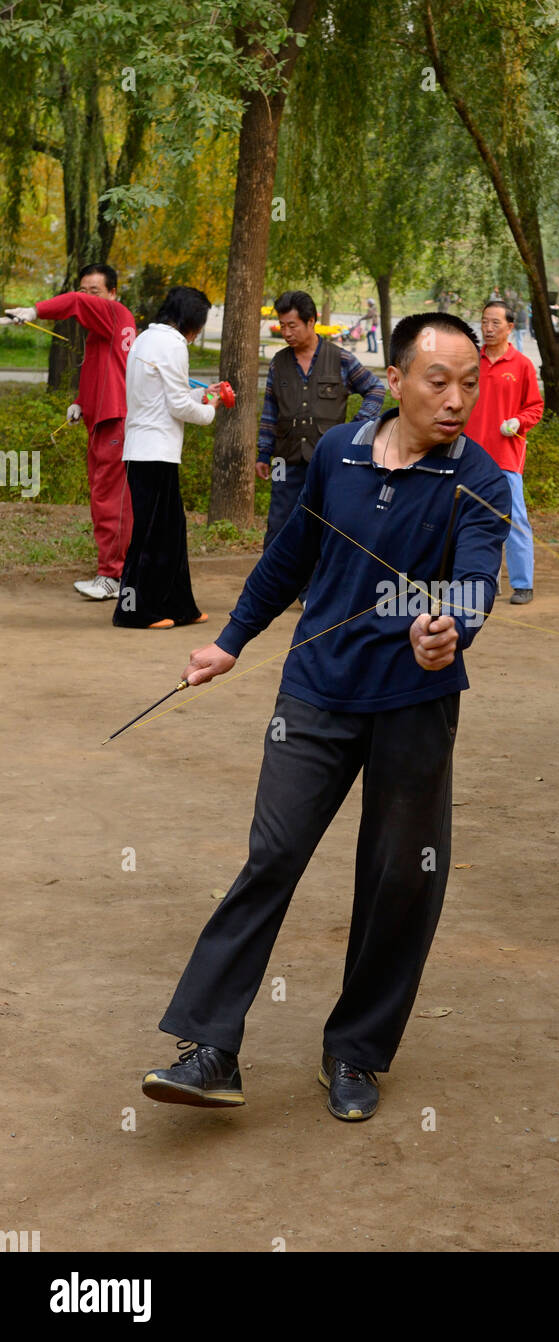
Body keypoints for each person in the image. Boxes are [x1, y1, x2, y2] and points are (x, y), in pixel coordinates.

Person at [139, 311, 511, 1122]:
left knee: (397, 881)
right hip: (314, 692)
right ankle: (208, 1047)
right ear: (399, 379)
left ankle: (355, 1052)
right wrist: (232, 640)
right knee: (270, 856)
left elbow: (476, 580)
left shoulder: (476, 479)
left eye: (469, 386)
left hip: (415, 703)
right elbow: (290, 558)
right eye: (439, 383)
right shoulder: (339, 453)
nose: (456, 401)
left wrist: (448, 629)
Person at [5, 265, 135, 601]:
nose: (89, 297)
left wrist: (34, 310)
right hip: (104, 418)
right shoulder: (102, 328)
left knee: (110, 500)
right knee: (102, 496)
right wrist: (81, 403)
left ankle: (113, 575)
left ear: (112, 293)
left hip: (116, 420)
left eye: (95, 291)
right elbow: (101, 372)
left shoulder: (115, 313)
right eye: (85, 289)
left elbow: (76, 302)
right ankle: (117, 572)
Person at [113, 286, 225, 630]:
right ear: (191, 321)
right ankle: (133, 612)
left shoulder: (146, 339)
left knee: (171, 530)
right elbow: (177, 406)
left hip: (144, 449)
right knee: (151, 534)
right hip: (154, 452)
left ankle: (179, 606)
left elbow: (167, 396)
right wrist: (210, 409)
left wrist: (200, 394)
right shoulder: (174, 345)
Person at [256, 290, 385, 555]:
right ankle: (272, 586)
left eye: (293, 325)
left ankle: (314, 590)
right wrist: (263, 453)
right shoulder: (278, 363)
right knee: (278, 524)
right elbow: (270, 409)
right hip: (283, 459)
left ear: (311, 321)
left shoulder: (341, 359)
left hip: (327, 459)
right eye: (282, 326)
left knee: (322, 523)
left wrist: (356, 428)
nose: (287, 332)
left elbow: (375, 389)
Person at [463, 301, 544, 604]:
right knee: (473, 519)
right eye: (485, 321)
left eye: (495, 323)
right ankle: (486, 580)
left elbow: (535, 408)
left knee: (515, 519)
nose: (488, 328)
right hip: (470, 455)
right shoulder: (472, 361)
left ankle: (523, 584)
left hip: (506, 456)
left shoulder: (521, 365)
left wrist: (518, 421)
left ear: (510, 327)